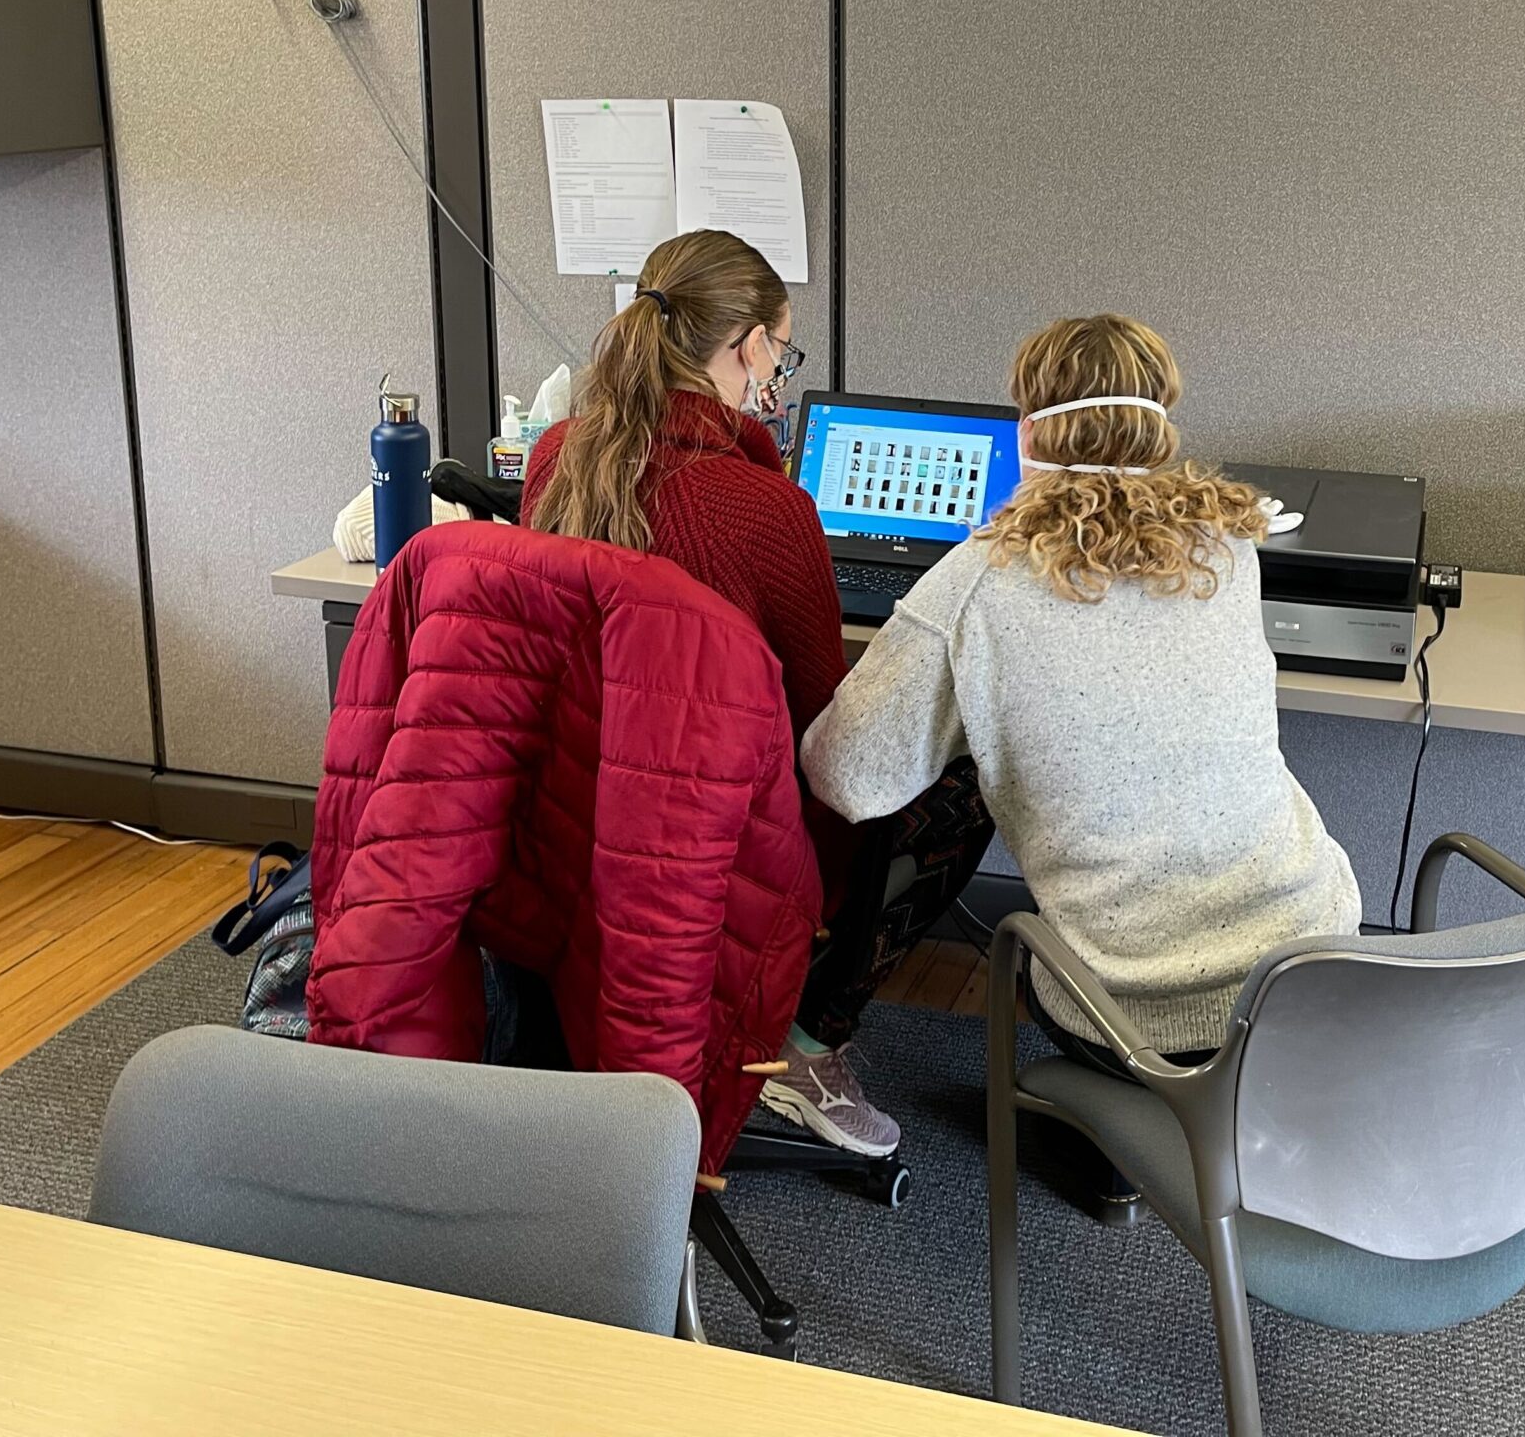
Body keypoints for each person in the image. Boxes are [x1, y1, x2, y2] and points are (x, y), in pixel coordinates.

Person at [520, 228, 989, 1153]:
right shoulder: (768, 508)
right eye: (782, 347)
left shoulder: (555, 460)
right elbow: (828, 738)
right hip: (720, 858)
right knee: (957, 781)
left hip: (567, 827)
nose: (778, 371)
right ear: (745, 349)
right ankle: (806, 1039)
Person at [801, 314, 1360, 1069]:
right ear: (1159, 429)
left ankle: (806, 1039)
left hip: (1130, 1013)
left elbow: (849, 779)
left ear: (1027, 436)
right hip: (1317, 963)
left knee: (958, 780)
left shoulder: (980, 580)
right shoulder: (1229, 549)